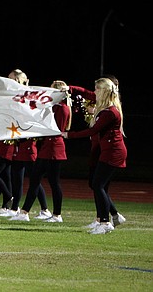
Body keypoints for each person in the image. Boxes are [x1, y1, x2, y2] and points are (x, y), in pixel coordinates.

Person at [62, 77, 127, 234]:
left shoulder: (110, 112)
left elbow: (92, 131)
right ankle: (104, 219)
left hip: (113, 152)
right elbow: (86, 93)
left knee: (98, 185)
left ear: (104, 91)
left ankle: (105, 222)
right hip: (108, 150)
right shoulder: (106, 108)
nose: (95, 92)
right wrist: (69, 87)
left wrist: (69, 135)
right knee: (98, 185)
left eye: (97, 89)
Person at [11, 80, 71, 223]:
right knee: (35, 180)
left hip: (54, 149)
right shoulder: (53, 107)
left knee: (54, 183)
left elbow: (55, 129)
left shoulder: (61, 108)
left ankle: (57, 215)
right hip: (46, 148)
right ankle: (24, 212)